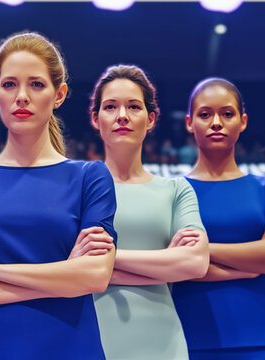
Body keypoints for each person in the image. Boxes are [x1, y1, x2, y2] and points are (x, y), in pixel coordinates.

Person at [0, 31, 117, 359]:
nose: (22, 97)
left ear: (59, 95)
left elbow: (95, 276)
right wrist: (62, 275)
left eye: (37, 84)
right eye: (10, 84)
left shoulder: (91, 177)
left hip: (70, 348)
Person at [171, 78, 265, 359]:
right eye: (205, 114)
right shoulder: (171, 192)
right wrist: (255, 260)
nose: (216, 123)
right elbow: (172, 265)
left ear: (243, 121)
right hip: (191, 341)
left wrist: (202, 250)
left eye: (227, 114)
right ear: (189, 123)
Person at [88, 64, 209, 360]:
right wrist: (163, 263)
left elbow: (195, 263)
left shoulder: (176, 190)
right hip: (88, 338)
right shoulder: (75, 189)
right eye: (110, 107)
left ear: (151, 118)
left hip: (162, 342)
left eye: (133, 106)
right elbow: (61, 264)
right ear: (95, 118)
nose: (122, 116)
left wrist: (104, 260)